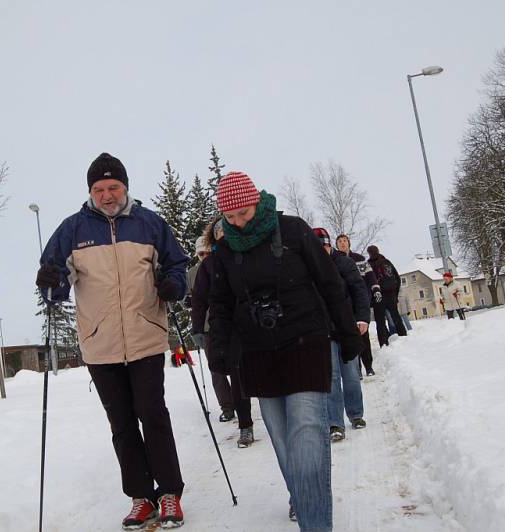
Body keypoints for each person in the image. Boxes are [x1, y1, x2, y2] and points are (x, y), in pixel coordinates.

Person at [36, 153, 188, 530]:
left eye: (113, 187)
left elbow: (176, 264)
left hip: (146, 337)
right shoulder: (72, 229)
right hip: (99, 343)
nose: (107, 194)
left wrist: (174, 285)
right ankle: (140, 498)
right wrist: (50, 281)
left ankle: (169, 492)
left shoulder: (149, 223)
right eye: (99, 188)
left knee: (153, 415)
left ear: (125, 187)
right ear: (90, 191)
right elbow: (54, 287)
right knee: (121, 423)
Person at [208, 171, 361, 531]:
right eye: (229, 218)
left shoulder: (292, 230)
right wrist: (218, 349)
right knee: (284, 444)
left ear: (256, 202)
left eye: (243, 214)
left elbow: (329, 282)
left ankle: (315, 524)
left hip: (306, 345)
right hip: (258, 356)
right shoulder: (226, 250)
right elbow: (221, 303)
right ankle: (304, 499)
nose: (238, 223)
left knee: (307, 436)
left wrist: (347, 331)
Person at [191, 218, 254, 448]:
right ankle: (245, 424)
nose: (224, 235)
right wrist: (198, 327)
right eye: (219, 232)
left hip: (257, 323)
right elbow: (199, 299)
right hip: (229, 327)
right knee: (237, 375)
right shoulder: (209, 265)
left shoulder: (249, 252)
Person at [313, 229, 369, 443]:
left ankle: (356, 414)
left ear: (331, 246)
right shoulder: (310, 268)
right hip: (324, 331)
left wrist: (362, 318)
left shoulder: (344, 264)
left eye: (325, 246)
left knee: (351, 375)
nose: (322, 251)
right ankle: (335, 423)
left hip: (347, 327)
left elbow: (359, 291)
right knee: (332, 377)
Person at [335, 234, 380, 376]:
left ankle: (369, 366)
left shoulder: (360, 260)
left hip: (360, 303)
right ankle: (357, 369)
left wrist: (375, 289)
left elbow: (371, 276)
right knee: (351, 338)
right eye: (339, 242)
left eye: (344, 241)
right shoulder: (335, 261)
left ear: (349, 243)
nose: (342, 243)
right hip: (345, 306)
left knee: (364, 336)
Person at [367, 245, 408, 347]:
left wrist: (371, 299)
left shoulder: (368, 265)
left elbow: (367, 283)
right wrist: (395, 294)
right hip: (391, 294)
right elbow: (397, 278)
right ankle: (404, 338)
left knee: (380, 322)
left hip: (378, 296)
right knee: (396, 317)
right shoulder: (386, 262)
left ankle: (384, 344)